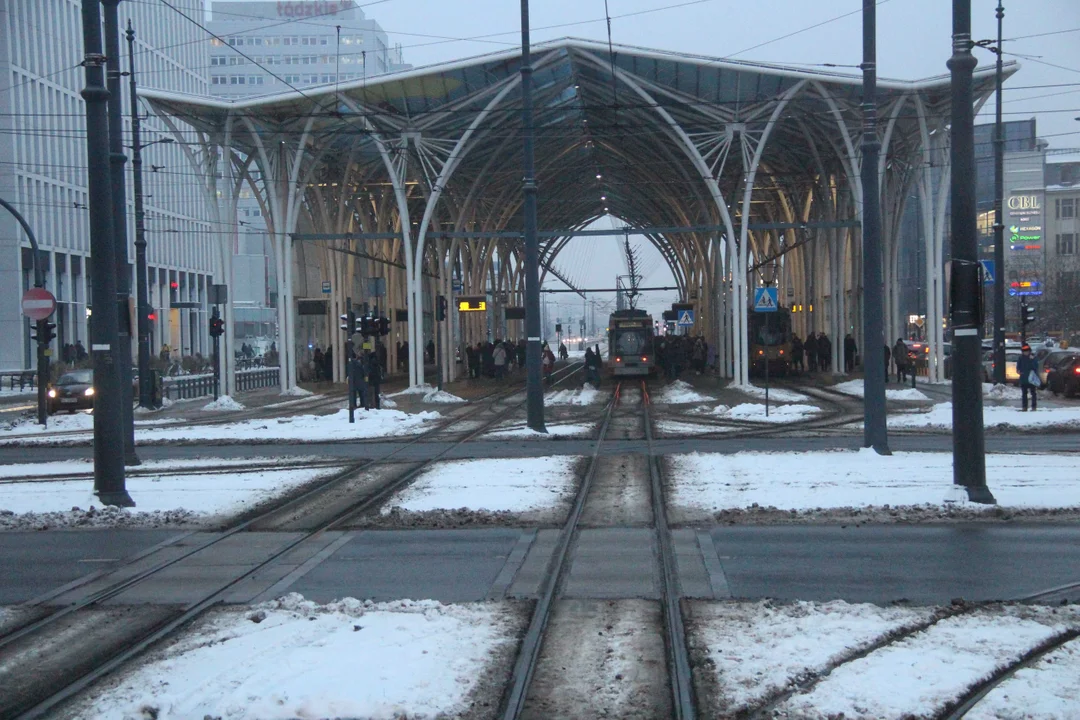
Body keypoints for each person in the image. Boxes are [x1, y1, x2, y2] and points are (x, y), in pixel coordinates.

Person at [1017, 343, 1040, 411]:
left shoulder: (1033, 358)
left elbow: (1035, 367)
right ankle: (1024, 407)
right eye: (1024, 351)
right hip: (1024, 378)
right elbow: (1018, 367)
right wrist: (1018, 371)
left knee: (1033, 393)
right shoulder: (1021, 358)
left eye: (1027, 351)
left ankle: (1033, 407)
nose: (1026, 352)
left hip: (1031, 379)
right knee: (1024, 394)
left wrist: (1032, 360)